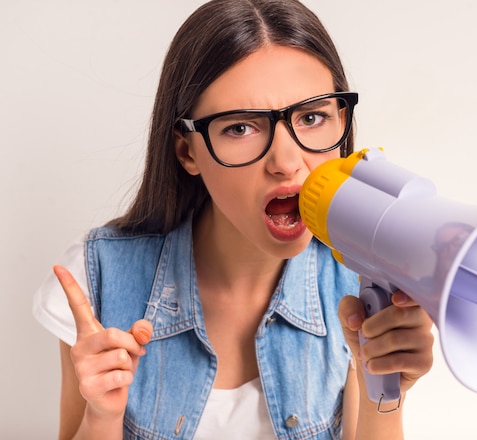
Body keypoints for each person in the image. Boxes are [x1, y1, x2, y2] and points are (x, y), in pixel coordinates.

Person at [33, 0, 434, 438]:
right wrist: (103, 416)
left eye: (313, 117)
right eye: (240, 128)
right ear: (188, 151)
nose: (286, 161)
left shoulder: (358, 280)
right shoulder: (98, 280)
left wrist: (386, 389)